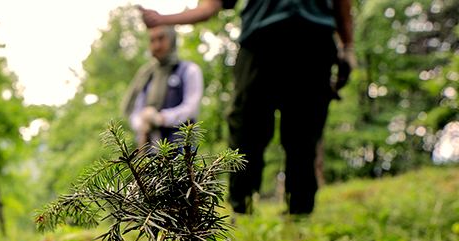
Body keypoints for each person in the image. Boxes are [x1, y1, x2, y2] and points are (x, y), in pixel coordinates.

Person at [139, 0, 355, 215]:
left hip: (314, 43)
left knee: (304, 134)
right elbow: (209, 7)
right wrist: (162, 20)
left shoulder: (186, 71)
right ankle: (242, 210)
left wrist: (348, 46)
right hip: (259, 44)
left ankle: (300, 213)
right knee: (246, 129)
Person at [122, 25, 204, 153]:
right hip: (149, 152)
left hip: (181, 152)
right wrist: (141, 123)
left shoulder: (189, 70)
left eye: (161, 38)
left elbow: (190, 108)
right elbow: (135, 112)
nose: (156, 45)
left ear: (171, 39)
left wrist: (161, 118)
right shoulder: (147, 76)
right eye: (152, 40)